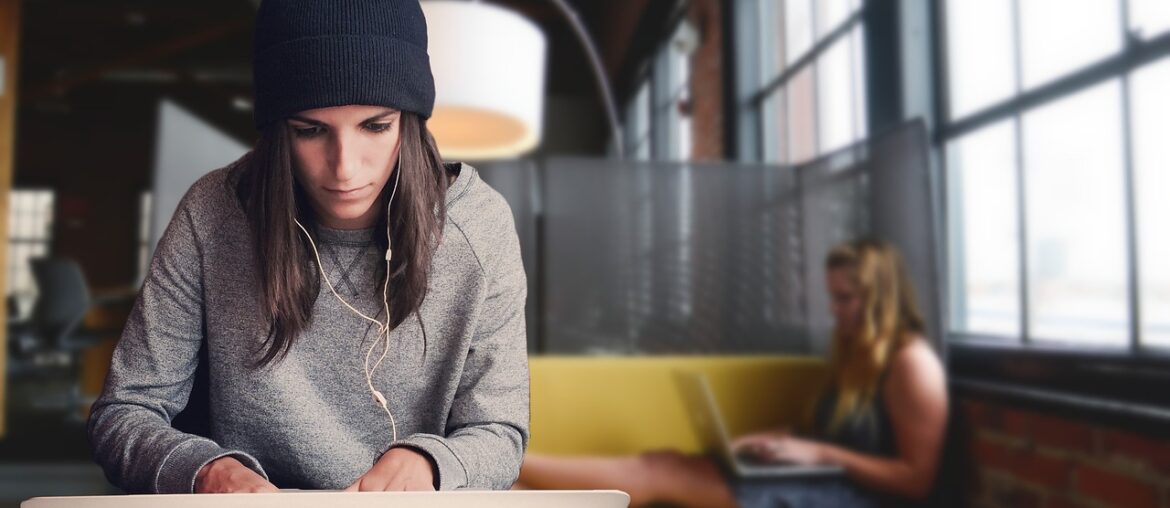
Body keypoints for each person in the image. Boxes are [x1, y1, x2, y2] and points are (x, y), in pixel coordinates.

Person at [86, 0, 529, 494]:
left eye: (375, 127)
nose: (344, 168)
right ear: (279, 132)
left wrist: (431, 464)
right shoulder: (212, 214)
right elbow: (125, 412)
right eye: (310, 131)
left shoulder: (478, 225)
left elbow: (501, 434)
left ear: (411, 122)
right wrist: (207, 471)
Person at [517, 239, 948, 508]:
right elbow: (835, 434)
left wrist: (822, 456)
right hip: (819, 475)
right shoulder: (858, 355)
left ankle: (506, 464)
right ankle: (496, 481)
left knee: (658, 474)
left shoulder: (913, 365)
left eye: (846, 298)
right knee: (665, 462)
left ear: (881, 296)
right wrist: (779, 442)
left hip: (849, 496)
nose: (835, 311)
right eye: (833, 298)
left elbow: (916, 481)